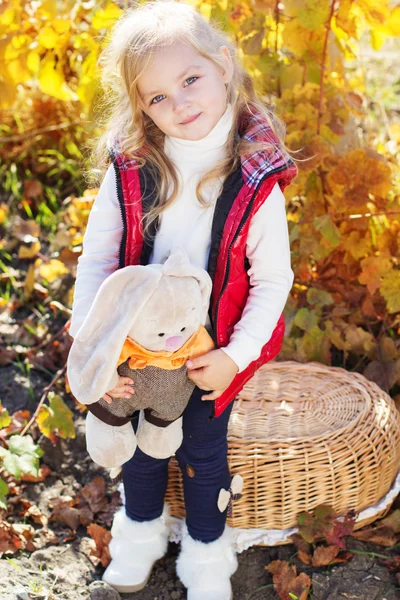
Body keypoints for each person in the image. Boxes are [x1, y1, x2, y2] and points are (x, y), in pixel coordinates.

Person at [69, 1, 298, 598]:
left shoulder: (254, 180)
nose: (179, 104)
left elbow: (273, 279)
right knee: (142, 448)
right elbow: (97, 258)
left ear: (224, 64)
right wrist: (95, 345)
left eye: (189, 80)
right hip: (136, 346)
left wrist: (237, 356)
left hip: (212, 347)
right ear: (140, 106)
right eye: (157, 98)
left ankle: (206, 556)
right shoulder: (131, 169)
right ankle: (138, 536)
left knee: (201, 450)